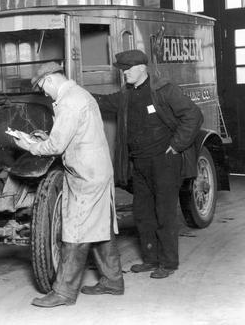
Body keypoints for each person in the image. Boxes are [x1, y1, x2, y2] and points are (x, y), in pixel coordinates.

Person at [13, 62, 124, 308]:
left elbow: (55, 147)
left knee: (75, 231)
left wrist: (28, 145)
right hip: (97, 169)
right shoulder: (79, 94)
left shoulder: (69, 101)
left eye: (42, 86)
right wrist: (47, 137)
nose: (43, 92)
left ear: (50, 79)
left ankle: (63, 292)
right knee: (100, 225)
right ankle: (113, 280)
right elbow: (71, 135)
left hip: (86, 174)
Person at [95, 49, 203, 279]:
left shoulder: (164, 90)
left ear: (142, 68)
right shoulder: (126, 95)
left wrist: (176, 145)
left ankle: (169, 263)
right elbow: (101, 102)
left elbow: (193, 116)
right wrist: (72, 93)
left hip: (164, 162)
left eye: (128, 69)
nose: (124, 73)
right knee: (143, 213)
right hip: (140, 164)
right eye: (123, 69)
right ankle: (151, 259)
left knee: (164, 212)